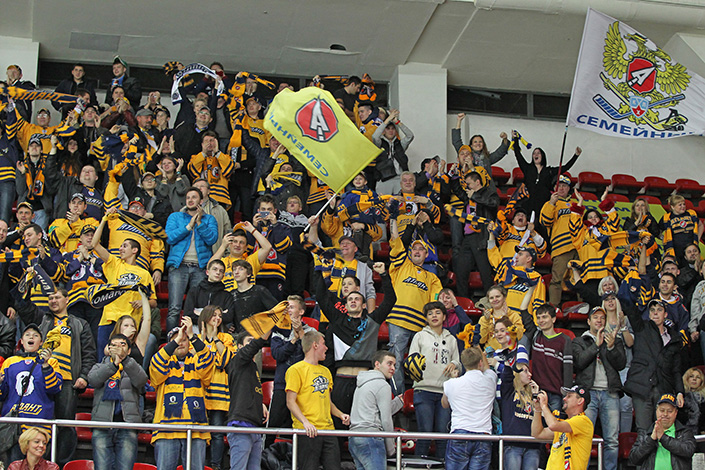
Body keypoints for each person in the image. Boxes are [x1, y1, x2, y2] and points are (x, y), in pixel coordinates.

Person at [14, 288, 96, 467]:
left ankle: (61, 463)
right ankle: (39, 463)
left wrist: (83, 376)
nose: (53, 300)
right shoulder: (42, 319)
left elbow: (89, 353)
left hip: (67, 381)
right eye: (50, 298)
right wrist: (24, 289)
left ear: (67, 299)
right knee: (42, 423)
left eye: (57, 297)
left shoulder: (79, 323)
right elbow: (24, 307)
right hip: (41, 379)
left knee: (65, 424)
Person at [150, 316, 215, 470]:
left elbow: (208, 361)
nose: (180, 342)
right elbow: (155, 366)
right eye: (176, 340)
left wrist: (192, 336)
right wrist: (176, 340)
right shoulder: (164, 363)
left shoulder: (197, 361)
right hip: (166, 430)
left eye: (184, 340)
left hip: (196, 430)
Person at [572, 306, 627, 470]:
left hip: (610, 393)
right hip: (588, 395)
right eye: (595, 317)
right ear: (588, 321)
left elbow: (621, 364)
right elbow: (579, 362)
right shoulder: (579, 341)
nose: (599, 320)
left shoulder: (614, 340)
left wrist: (611, 347)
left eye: (602, 318)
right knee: (584, 437)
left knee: (612, 440)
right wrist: (596, 345)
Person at [286, 331, 350, 470]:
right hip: (307, 430)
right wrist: (305, 422)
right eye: (323, 344)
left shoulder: (326, 371)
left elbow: (328, 402)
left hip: (328, 430)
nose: (326, 348)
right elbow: (290, 401)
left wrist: (340, 414)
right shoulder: (295, 370)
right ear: (315, 345)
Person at [0, 325, 62, 463]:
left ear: (41, 342)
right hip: (13, 427)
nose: (31, 337)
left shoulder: (51, 362)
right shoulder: (9, 362)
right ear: (21, 341)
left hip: (39, 426)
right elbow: (2, 394)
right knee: (14, 465)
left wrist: (45, 366)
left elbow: (54, 389)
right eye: (27, 335)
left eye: (35, 335)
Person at [88, 334, 148, 470]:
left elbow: (141, 380)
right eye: (114, 345)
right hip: (102, 425)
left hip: (127, 425)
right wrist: (113, 365)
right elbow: (93, 380)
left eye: (122, 345)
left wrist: (124, 360)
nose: (118, 348)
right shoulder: (99, 366)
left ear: (129, 350)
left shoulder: (133, 367)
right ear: (108, 349)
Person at [408, 301, 460, 458]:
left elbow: (458, 362)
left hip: (445, 392)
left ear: (444, 316)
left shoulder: (451, 339)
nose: (434, 316)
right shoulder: (419, 336)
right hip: (423, 390)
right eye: (430, 314)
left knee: (443, 435)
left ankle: (442, 465)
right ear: (426, 318)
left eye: (437, 312)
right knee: (425, 433)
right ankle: (419, 466)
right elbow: (411, 361)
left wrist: (454, 364)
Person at [165, 186, 219, 331]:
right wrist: (189, 226)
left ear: (201, 201)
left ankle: (196, 339)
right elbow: (169, 238)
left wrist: (200, 223)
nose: (190, 200)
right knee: (174, 308)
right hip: (179, 266)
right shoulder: (175, 217)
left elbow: (212, 239)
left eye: (194, 197)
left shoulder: (209, 219)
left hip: (200, 268)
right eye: (188, 197)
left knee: (198, 308)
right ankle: (172, 340)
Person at [441, 347, 497, 470]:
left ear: (463, 363)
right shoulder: (491, 380)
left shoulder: (451, 383)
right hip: (483, 435)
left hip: (460, 433)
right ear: (480, 363)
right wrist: (480, 350)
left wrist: (453, 379)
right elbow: (487, 369)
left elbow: (444, 404)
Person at [512, 130, 582, 226]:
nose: (536, 155)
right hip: (528, 202)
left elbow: (565, 167)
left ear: (543, 156)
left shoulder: (549, 170)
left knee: (540, 225)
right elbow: (518, 155)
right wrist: (515, 139)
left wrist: (576, 155)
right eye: (534, 153)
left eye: (538, 153)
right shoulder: (527, 168)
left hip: (543, 203)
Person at [349, 350, 404, 470]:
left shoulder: (362, 382)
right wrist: (391, 449)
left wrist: (397, 403)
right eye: (389, 363)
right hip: (371, 437)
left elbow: (374, 410)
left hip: (354, 436)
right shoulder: (382, 385)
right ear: (377, 364)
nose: (393, 368)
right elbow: (386, 419)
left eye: (394, 365)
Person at [224, 329, 271, 470]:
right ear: (239, 346)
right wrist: (268, 327)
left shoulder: (253, 367)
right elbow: (255, 345)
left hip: (254, 426)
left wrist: (260, 404)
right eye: (249, 341)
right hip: (240, 425)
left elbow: (247, 390)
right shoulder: (237, 360)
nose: (253, 343)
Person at [198, 305, 236, 470]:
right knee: (198, 432)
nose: (217, 318)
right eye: (214, 315)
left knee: (217, 433)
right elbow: (195, 361)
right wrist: (203, 340)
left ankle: (215, 466)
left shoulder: (226, 338)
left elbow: (227, 361)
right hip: (199, 392)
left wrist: (215, 339)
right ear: (205, 317)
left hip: (219, 392)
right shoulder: (196, 339)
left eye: (220, 316)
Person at [520, 303, 573, 412]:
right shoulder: (536, 335)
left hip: (556, 395)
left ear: (553, 319)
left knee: (553, 423)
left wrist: (566, 396)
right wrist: (531, 292)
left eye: (544, 317)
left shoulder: (565, 340)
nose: (541, 320)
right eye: (538, 317)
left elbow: (568, 370)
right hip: (536, 392)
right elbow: (523, 309)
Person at [532, 385, 594, 470]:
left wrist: (544, 406)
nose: (564, 398)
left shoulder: (583, 421)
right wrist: (537, 409)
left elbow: (553, 425)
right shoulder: (564, 425)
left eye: (569, 396)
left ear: (580, 401)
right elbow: (537, 433)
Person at [629, 393, 696, 470]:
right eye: (662, 410)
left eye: (669, 411)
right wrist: (651, 439)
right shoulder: (645, 432)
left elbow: (688, 451)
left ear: (676, 413)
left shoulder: (684, 432)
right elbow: (634, 459)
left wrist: (663, 437)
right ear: (656, 411)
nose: (665, 414)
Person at [540, 174, 579, 306]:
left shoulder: (574, 204)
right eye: (559, 186)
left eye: (564, 186)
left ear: (569, 189)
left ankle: (583, 306)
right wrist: (552, 203)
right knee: (557, 279)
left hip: (578, 246)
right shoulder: (550, 204)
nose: (561, 188)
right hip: (561, 247)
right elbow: (545, 221)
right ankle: (554, 307)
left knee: (581, 278)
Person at [499, 363, 540, 470]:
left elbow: (541, 418)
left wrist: (536, 396)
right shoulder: (509, 391)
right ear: (516, 374)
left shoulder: (534, 394)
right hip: (513, 444)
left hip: (532, 445)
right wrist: (508, 364)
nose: (530, 374)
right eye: (525, 371)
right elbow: (506, 377)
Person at [681, 367, 705, 433]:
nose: (694, 379)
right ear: (686, 379)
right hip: (683, 433)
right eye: (691, 376)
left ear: (701, 381)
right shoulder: (680, 397)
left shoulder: (703, 398)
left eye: (698, 377)